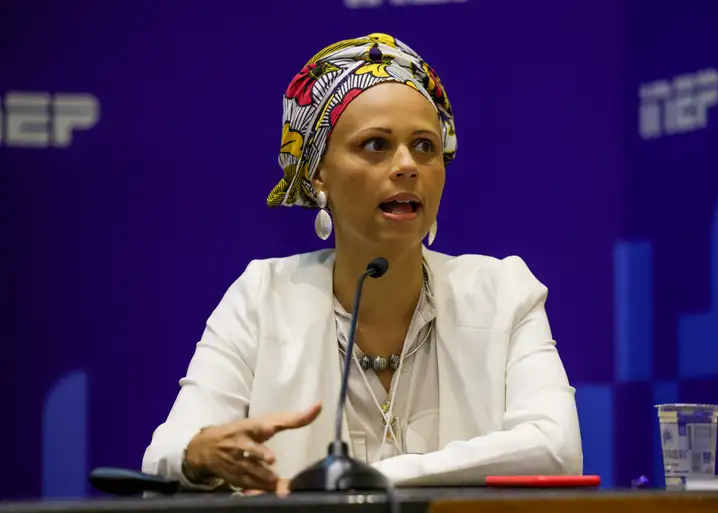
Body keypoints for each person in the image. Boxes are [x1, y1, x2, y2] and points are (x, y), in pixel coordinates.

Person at [142, 33, 582, 495]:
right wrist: (201, 456)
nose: (407, 165)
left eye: (425, 146)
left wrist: (357, 481)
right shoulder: (262, 297)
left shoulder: (504, 293)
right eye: (376, 145)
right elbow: (167, 454)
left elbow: (556, 449)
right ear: (319, 173)